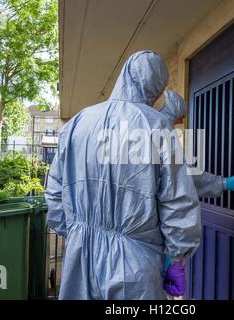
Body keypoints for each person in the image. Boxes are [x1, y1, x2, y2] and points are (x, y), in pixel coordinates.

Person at [45, 51, 200, 300]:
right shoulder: (157, 126)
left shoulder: (77, 123)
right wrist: (177, 256)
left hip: (79, 256)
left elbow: (54, 191)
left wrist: (75, 232)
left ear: (125, 75)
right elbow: (177, 199)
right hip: (134, 263)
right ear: (157, 88)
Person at [159, 90, 234, 291]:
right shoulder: (155, 140)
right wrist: (176, 256)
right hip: (142, 253)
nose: (175, 127)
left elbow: (182, 177)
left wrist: (224, 183)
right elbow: (178, 190)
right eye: (175, 121)